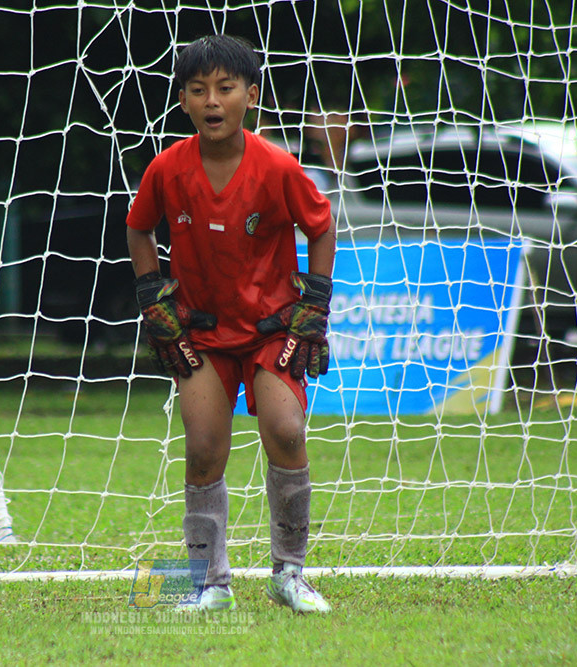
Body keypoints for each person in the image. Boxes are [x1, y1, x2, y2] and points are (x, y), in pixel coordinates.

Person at [125, 34, 335, 613]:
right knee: (202, 447)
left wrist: (313, 306)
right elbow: (138, 228)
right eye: (198, 90)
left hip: (271, 330)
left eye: (225, 87)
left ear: (251, 96)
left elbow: (322, 225)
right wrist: (154, 299)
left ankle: (289, 574)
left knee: (287, 430)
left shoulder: (277, 166)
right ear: (185, 102)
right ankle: (210, 582)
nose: (212, 100)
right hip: (201, 333)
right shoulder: (168, 168)